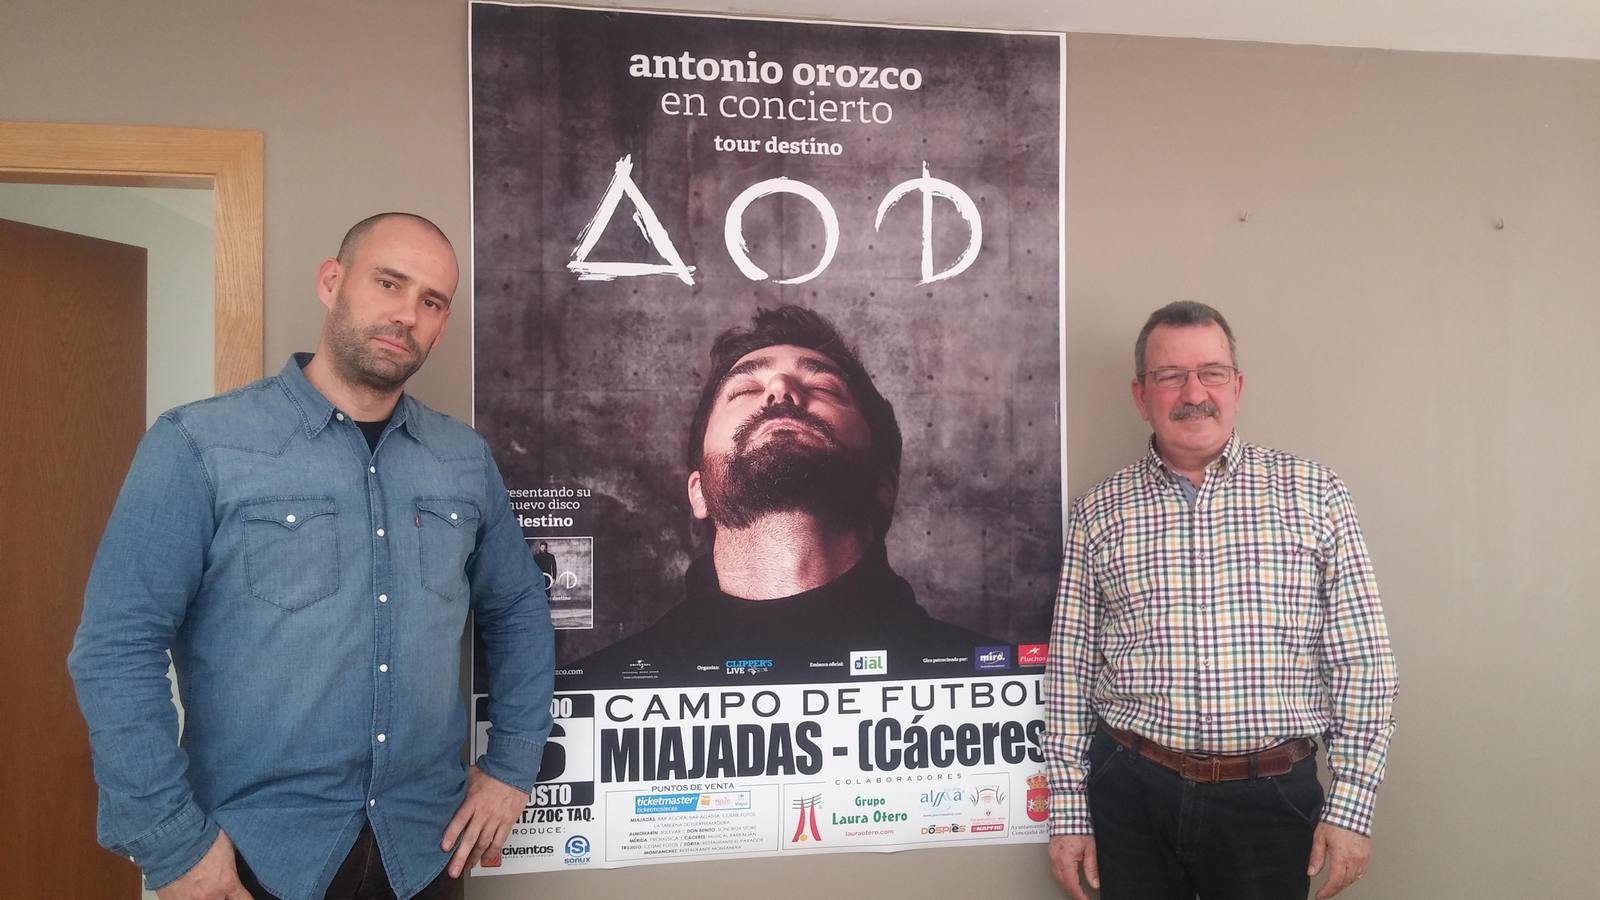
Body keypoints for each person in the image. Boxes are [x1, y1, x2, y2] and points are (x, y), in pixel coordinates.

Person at [68, 213, 555, 900]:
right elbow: (116, 648)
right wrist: (172, 846)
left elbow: (518, 609)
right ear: (332, 282)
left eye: (432, 301)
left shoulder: (462, 460)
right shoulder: (200, 444)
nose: (407, 315)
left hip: (422, 853)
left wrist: (512, 766)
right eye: (389, 283)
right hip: (248, 861)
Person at [1044, 301, 1397, 900]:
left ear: (1237, 386)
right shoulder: (1098, 511)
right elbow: (1070, 671)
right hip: (1131, 793)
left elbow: (1362, 661)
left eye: (1211, 372)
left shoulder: (1316, 495)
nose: (1193, 392)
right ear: (1141, 394)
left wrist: (1352, 806)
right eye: (1169, 375)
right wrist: (1070, 810)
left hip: (1271, 801)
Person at [574, 305, 993, 685]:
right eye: (742, 391)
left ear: (885, 485)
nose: (780, 390)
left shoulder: (994, 686)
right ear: (698, 491)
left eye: (825, 389)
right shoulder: (589, 695)